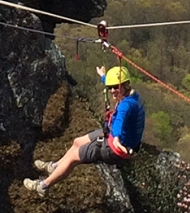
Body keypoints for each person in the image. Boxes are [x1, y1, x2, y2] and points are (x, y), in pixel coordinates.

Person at [23, 66, 145, 197]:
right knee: (77, 142)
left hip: (114, 147)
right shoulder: (133, 96)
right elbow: (119, 112)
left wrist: (116, 138)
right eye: (110, 87)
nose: (113, 91)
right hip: (112, 136)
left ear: (126, 84)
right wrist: (103, 76)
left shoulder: (126, 105)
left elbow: (120, 120)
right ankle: (55, 166)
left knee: (73, 157)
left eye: (116, 87)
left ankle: (43, 186)